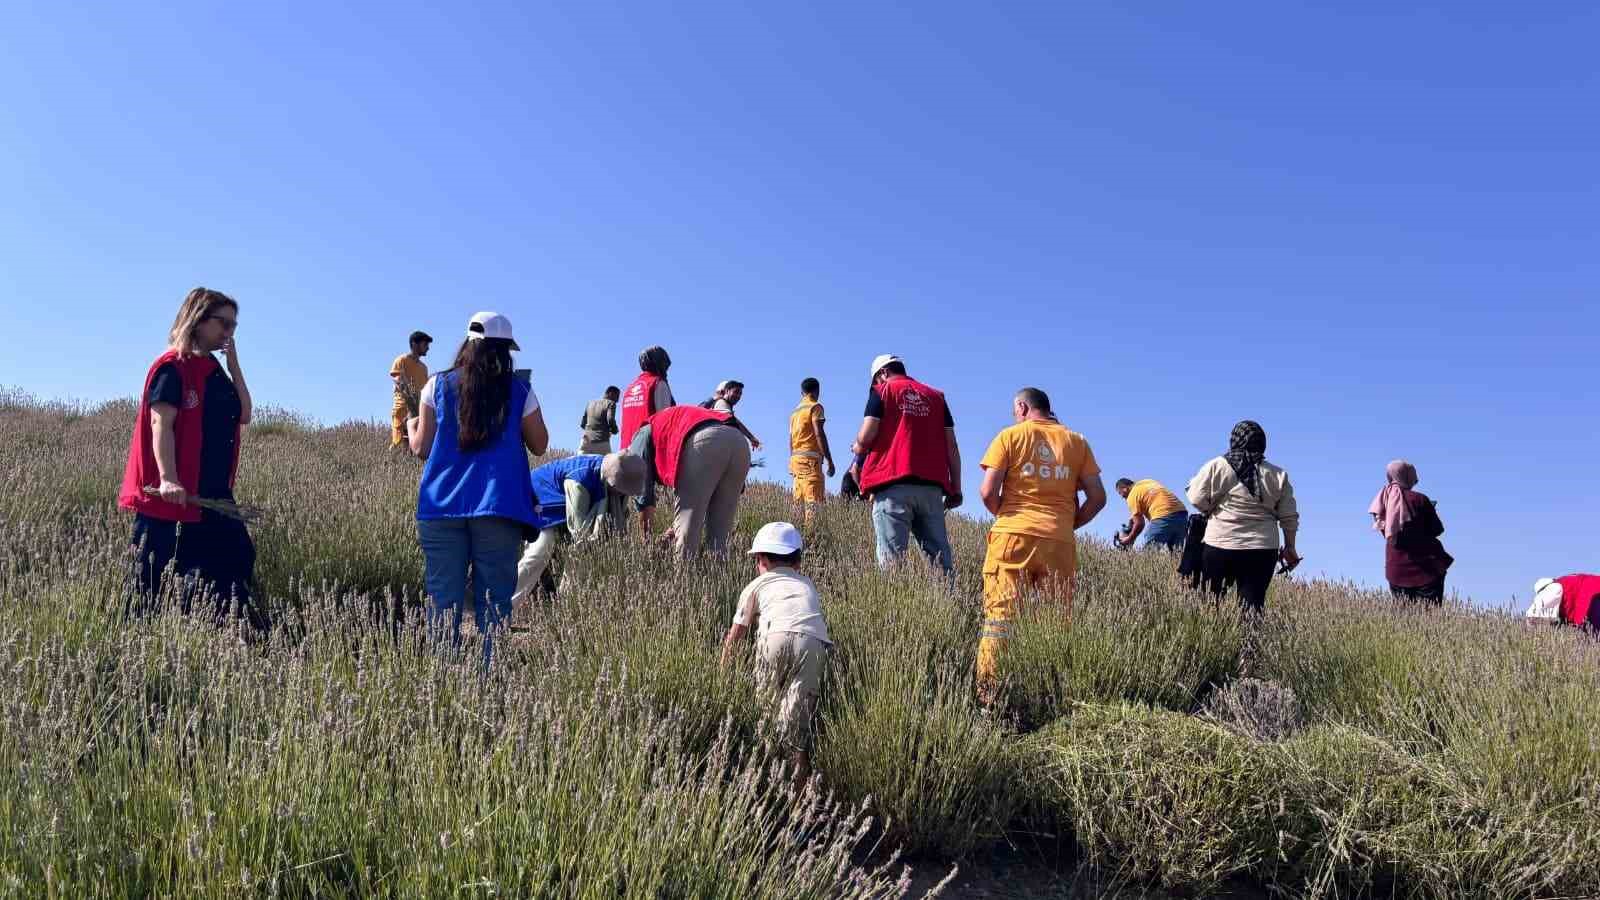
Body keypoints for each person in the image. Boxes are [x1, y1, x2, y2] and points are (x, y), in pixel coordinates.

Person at [407, 311, 549, 665]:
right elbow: (540, 443)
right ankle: (490, 683)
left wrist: (410, 426)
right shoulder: (519, 390)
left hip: (441, 506)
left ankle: (444, 683)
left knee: (443, 600)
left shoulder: (435, 385)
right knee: (495, 603)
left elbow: (422, 448)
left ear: (467, 345)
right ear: (506, 351)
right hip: (498, 506)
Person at [119, 287, 264, 629]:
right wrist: (168, 478)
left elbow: (244, 413)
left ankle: (214, 635)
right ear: (198, 320)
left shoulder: (214, 370)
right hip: (170, 496)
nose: (228, 333)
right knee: (147, 582)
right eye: (223, 324)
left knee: (236, 558)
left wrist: (234, 365)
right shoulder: (172, 367)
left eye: (233, 327)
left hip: (211, 494)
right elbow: (161, 424)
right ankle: (135, 648)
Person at [975, 388, 1105, 697]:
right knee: (1055, 623)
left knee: (1000, 619)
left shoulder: (1009, 436)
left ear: (1021, 407)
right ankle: (1049, 693)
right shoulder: (1077, 442)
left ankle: (988, 695)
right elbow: (1097, 498)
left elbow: (986, 492)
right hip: (1058, 542)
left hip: (1012, 537)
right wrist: (1066, 525)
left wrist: (1006, 515)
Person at [720, 522, 832, 790]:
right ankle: (798, 802)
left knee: (766, 716)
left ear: (761, 560)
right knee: (796, 732)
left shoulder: (756, 585)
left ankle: (763, 787)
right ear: (798, 563)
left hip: (773, 638)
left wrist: (723, 672)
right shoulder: (806, 583)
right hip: (813, 644)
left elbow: (735, 636)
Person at [851, 354, 961, 575]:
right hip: (932, 488)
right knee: (940, 563)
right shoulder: (936, 397)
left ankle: (894, 608)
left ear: (883, 373)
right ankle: (949, 605)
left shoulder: (882, 392)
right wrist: (956, 488)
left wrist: (857, 448)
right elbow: (952, 447)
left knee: (892, 563)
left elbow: (866, 436)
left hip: (892, 485)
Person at [1186, 421, 1300, 613]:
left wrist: (1211, 509)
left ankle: (1214, 641)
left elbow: (1196, 498)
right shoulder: (1278, 474)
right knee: (1252, 607)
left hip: (1220, 543)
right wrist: (1290, 547)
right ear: (1262, 442)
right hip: (1262, 549)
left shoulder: (1217, 465)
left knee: (1212, 604)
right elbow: (1289, 517)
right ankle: (1250, 643)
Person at [512, 452, 643, 605]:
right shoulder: (580, 479)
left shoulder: (610, 481)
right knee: (540, 551)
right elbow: (579, 532)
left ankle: (565, 605)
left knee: (582, 554)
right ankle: (503, 607)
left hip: (562, 508)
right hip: (540, 501)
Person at [625, 404, 752, 559]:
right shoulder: (666, 422)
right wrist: (672, 530)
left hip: (704, 440)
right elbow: (704, 502)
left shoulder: (640, 437)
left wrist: (647, 543)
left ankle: (683, 577)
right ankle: (713, 575)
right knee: (720, 535)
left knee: (687, 538)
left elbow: (643, 494)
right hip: (739, 442)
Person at [1367, 460, 1453, 604]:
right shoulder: (1420, 499)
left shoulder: (1382, 500)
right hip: (1426, 569)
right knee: (1429, 618)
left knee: (1404, 619)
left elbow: (1386, 532)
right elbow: (1437, 530)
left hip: (1396, 570)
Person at [620, 345, 676, 536]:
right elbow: (664, 418)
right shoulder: (658, 383)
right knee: (645, 497)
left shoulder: (630, 388)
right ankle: (646, 543)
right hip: (645, 446)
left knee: (627, 498)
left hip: (625, 448)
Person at [788, 377, 836, 526]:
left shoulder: (795, 412)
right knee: (813, 502)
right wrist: (829, 460)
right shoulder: (815, 407)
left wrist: (792, 460)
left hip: (796, 460)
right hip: (811, 461)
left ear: (802, 392)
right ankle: (811, 539)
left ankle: (796, 536)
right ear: (817, 391)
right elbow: (818, 433)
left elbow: (790, 439)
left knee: (798, 501)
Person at [1113, 478, 1189, 551]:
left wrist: (1129, 539)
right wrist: (1131, 523)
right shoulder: (1147, 482)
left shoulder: (1132, 495)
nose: (1122, 497)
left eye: (1120, 493)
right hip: (1182, 515)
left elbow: (1139, 524)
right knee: (1176, 554)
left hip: (1163, 516)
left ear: (1124, 488)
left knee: (1149, 553)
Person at [389, 331, 432, 449]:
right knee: (399, 443)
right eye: (425, 344)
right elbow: (399, 381)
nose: (428, 348)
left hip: (418, 410)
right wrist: (411, 393)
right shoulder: (401, 360)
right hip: (402, 408)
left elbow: (424, 390)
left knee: (414, 446)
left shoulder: (424, 368)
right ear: (414, 344)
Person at [1525, 575, 1600, 631]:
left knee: (1595, 635)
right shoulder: (1565, 582)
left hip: (1594, 598)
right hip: (1593, 594)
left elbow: (1533, 615)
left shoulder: (1553, 588)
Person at [703, 379, 762, 450]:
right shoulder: (721, 402)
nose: (738, 396)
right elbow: (731, 419)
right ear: (726, 391)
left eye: (740, 394)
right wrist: (751, 438)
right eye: (736, 392)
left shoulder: (724, 405)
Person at [579, 386, 621, 455]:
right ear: (610, 394)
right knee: (607, 464)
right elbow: (610, 419)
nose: (618, 400)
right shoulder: (610, 403)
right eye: (617, 396)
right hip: (602, 442)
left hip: (586, 441)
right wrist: (614, 430)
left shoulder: (590, 403)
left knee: (580, 463)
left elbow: (583, 424)